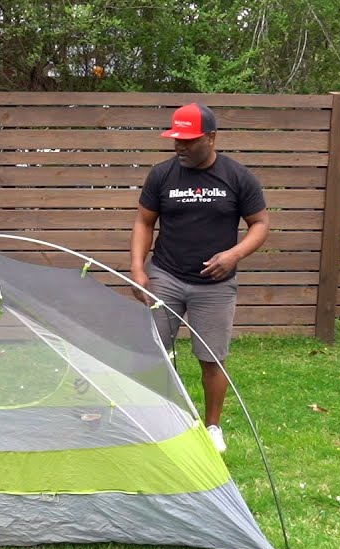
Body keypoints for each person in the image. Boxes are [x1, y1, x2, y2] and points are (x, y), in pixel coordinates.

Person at [129, 103, 269, 453]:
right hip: (166, 275)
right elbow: (144, 222)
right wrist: (137, 268)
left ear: (211, 137)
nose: (180, 146)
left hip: (216, 286)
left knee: (212, 357)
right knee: (152, 351)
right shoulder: (162, 175)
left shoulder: (237, 177)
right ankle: (154, 420)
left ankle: (212, 427)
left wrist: (234, 254)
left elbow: (260, 224)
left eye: (189, 140)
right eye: (176, 139)